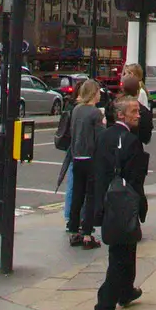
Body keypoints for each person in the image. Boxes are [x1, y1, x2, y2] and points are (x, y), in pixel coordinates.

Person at [92, 95, 148, 310]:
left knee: (126, 248)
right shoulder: (132, 142)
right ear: (121, 114)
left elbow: (97, 174)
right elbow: (136, 179)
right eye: (134, 111)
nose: (138, 115)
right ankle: (104, 304)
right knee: (120, 256)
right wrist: (140, 206)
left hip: (106, 200)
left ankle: (126, 292)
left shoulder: (105, 137)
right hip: (123, 203)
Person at [65, 79, 105, 248]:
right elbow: (100, 139)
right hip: (91, 158)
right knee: (90, 197)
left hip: (77, 157)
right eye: (98, 91)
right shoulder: (95, 113)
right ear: (93, 93)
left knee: (77, 196)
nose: (100, 94)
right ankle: (87, 234)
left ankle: (74, 232)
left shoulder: (76, 110)